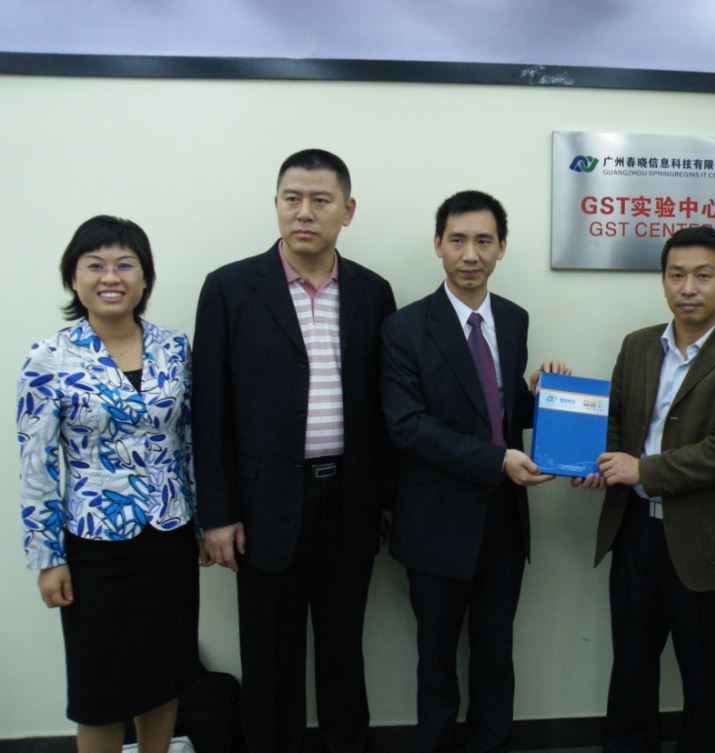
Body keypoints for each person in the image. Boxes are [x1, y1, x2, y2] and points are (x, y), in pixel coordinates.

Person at [192, 149, 397, 753]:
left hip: (350, 501)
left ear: (347, 211)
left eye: (320, 200)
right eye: (292, 199)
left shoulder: (372, 292)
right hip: (262, 505)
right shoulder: (229, 288)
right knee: (270, 653)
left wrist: (387, 499)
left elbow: (384, 404)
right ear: (277, 205)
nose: (304, 212)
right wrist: (217, 513)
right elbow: (209, 409)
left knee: (343, 648)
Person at [578, 226, 715, 753]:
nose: (688, 287)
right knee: (631, 671)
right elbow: (616, 423)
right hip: (635, 537)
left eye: (703, 275)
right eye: (676, 275)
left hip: (705, 543)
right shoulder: (638, 345)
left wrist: (641, 470)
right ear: (664, 281)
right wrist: (590, 459)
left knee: (706, 680)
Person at [380, 190, 568, 753]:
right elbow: (407, 426)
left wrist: (547, 396)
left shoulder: (512, 318)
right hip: (434, 522)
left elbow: (498, 413)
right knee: (436, 661)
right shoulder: (404, 327)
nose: (470, 254)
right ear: (438, 244)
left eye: (484, 241)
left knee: (496, 655)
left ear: (502, 247)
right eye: (458, 240)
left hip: (502, 522)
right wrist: (497, 460)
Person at [16, 215, 204, 753]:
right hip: (94, 546)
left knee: (164, 674)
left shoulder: (174, 349)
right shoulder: (50, 358)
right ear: (73, 278)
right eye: (95, 265)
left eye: (125, 265)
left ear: (144, 278)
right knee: (99, 689)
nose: (111, 277)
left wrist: (201, 522)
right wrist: (47, 557)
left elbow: (190, 441)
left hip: (169, 537)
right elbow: (36, 464)